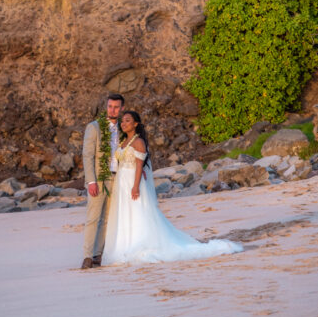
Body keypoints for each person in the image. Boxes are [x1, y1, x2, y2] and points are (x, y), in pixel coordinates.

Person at [102, 110, 243, 265]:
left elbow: (139, 166)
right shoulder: (123, 142)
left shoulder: (138, 142)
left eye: (127, 120)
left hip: (132, 182)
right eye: (122, 121)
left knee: (137, 211)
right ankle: (124, 243)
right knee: (125, 212)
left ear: (135, 124)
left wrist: (135, 186)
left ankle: (139, 242)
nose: (123, 123)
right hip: (121, 182)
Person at [80, 93, 125, 269]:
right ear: (106, 107)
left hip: (117, 178)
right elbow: (87, 155)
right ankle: (87, 257)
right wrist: (91, 181)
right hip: (99, 178)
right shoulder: (94, 127)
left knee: (107, 219)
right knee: (93, 217)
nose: (112, 110)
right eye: (110, 106)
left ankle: (98, 254)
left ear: (121, 109)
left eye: (116, 107)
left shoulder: (123, 128)